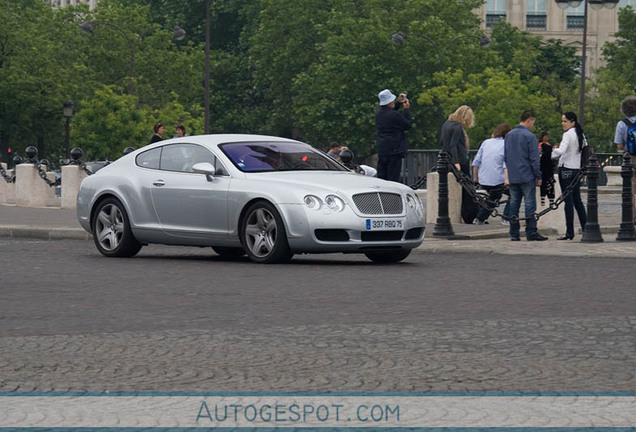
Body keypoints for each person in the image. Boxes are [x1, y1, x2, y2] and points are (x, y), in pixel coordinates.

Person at [504, 110, 548, 241]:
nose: (532, 125)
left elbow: (506, 156)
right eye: (532, 122)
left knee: (514, 204)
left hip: (513, 175)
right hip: (527, 175)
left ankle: (514, 233)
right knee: (529, 205)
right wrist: (538, 176)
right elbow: (534, 159)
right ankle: (531, 232)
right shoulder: (530, 136)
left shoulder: (509, 135)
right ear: (529, 120)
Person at [551, 112, 587, 240]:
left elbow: (561, 151)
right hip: (576, 169)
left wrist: (549, 154)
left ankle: (570, 231)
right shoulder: (580, 134)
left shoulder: (567, 134)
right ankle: (586, 228)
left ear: (572, 122)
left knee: (568, 202)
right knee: (577, 200)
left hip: (566, 169)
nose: (562, 123)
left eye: (565, 121)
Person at [439, 105, 475, 223]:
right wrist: (457, 162)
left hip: (447, 159)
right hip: (459, 160)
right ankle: (470, 215)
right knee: (468, 188)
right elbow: (454, 145)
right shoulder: (458, 127)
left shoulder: (447, 124)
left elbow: (443, 142)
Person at [471, 123, 512, 226]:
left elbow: (476, 162)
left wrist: (475, 178)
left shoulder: (486, 142)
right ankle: (506, 218)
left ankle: (480, 218)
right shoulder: (506, 144)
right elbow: (505, 163)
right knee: (514, 194)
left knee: (493, 197)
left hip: (484, 178)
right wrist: (507, 180)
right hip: (498, 179)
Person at [375, 89, 412, 182]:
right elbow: (407, 124)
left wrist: (398, 104)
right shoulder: (394, 115)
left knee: (382, 177)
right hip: (394, 149)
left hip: (382, 149)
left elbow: (390, 111)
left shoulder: (378, 113)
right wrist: (406, 109)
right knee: (393, 177)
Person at [614, 95, 636, 224]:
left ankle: (632, 217)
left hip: (630, 159)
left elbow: (619, 145)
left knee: (630, 189)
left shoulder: (622, 124)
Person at [538, 131, 555, 206]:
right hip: (544, 166)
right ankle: (543, 198)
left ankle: (550, 198)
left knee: (549, 183)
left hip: (548, 166)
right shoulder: (541, 145)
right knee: (544, 183)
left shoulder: (548, 145)